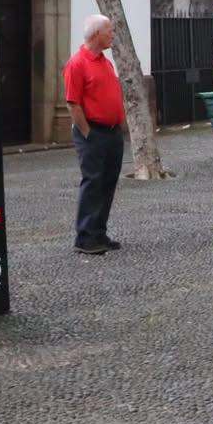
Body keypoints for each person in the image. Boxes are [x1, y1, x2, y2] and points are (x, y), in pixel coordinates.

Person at [64, 14, 126, 255]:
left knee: (107, 183)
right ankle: (84, 237)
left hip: (111, 133)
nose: (112, 34)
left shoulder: (104, 61)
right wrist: (87, 133)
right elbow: (72, 103)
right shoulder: (77, 63)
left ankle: (99, 232)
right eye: (109, 31)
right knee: (93, 183)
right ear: (97, 34)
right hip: (93, 133)